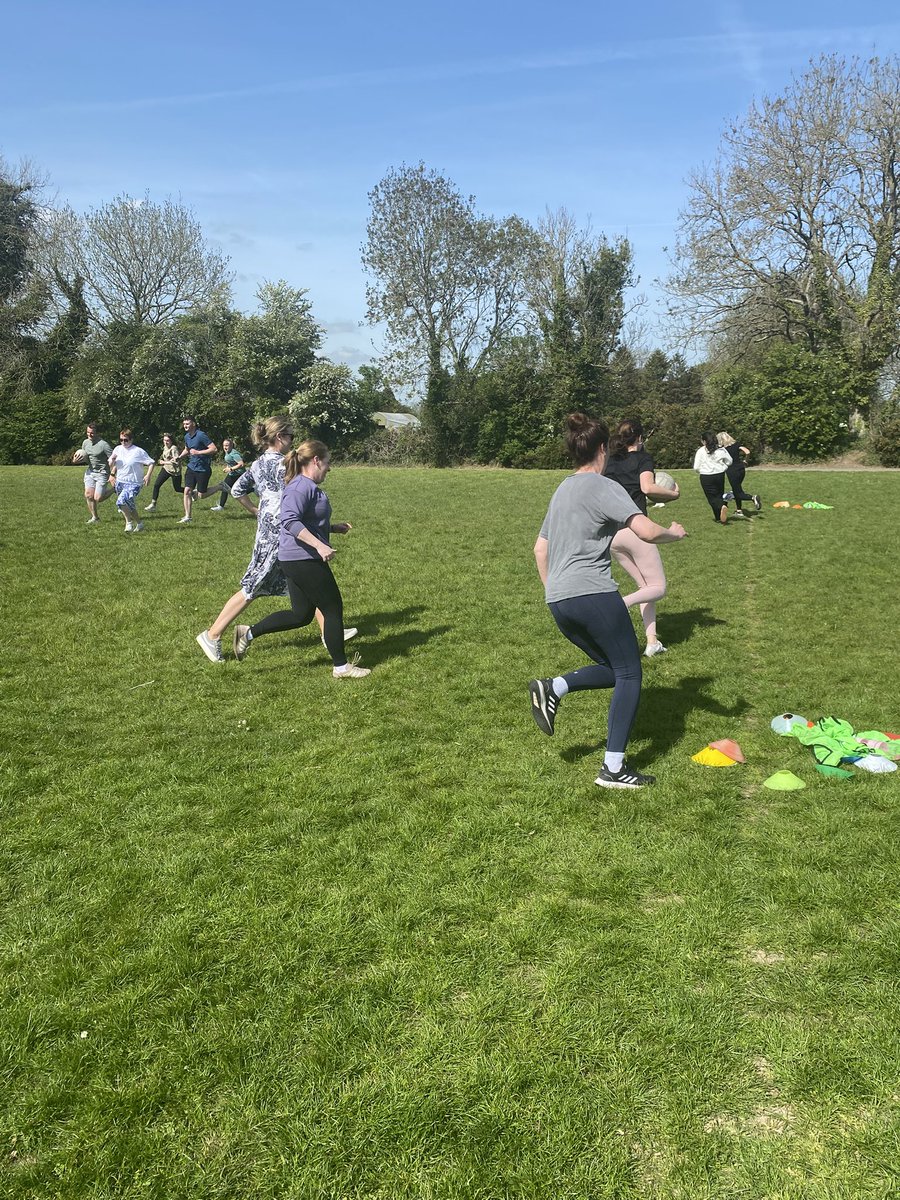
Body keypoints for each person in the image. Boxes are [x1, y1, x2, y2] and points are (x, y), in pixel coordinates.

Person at [529, 413, 686, 789]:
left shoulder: (562, 489)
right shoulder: (604, 486)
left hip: (559, 600)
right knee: (631, 672)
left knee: (613, 666)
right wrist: (674, 534)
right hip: (594, 592)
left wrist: (556, 590)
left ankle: (555, 687)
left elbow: (540, 549)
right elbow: (645, 531)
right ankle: (613, 768)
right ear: (602, 449)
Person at [195, 416, 356, 663]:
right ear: (280, 437)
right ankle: (213, 634)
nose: (292, 440)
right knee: (253, 587)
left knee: (308, 583)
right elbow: (297, 504)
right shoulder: (286, 464)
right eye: (290, 436)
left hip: (273, 530)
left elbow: (237, 489)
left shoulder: (258, 464)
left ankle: (330, 632)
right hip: (280, 534)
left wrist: (258, 511)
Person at [230, 439, 370, 679]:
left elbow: (306, 520)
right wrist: (319, 545)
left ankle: (247, 633)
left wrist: (332, 528)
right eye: (327, 462)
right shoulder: (300, 487)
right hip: (302, 558)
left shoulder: (306, 486)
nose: (329, 468)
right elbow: (290, 521)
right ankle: (341, 667)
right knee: (332, 608)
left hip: (296, 558)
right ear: (315, 460)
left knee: (301, 615)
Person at [603, 418, 680, 658]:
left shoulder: (610, 461)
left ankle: (652, 642)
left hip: (612, 536)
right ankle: (619, 605)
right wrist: (673, 494)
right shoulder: (643, 458)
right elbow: (647, 488)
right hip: (635, 530)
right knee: (659, 587)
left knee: (645, 587)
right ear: (639, 438)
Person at [107, 429, 156, 533]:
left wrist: (148, 475)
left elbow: (151, 462)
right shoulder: (118, 449)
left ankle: (128, 523)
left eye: (126, 440)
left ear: (131, 440)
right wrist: (112, 463)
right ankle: (139, 524)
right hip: (120, 482)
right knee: (129, 505)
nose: (123, 442)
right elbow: (111, 463)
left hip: (134, 483)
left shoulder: (138, 451)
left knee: (121, 502)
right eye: (121, 440)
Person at [177, 415, 221, 523]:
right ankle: (188, 516)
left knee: (201, 495)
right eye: (184, 424)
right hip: (191, 467)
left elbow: (214, 449)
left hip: (203, 469)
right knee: (187, 491)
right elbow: (187, 449)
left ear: (193, 424)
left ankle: (220, 486)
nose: (185, 426)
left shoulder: (201, 435)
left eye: (187, 424)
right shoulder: (187, 436)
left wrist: (198, 452)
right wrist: (179, 457)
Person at [75, 421, 114, 524]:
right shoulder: (85, 442)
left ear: (97, 433)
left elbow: (113, 459)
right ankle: (95, 518)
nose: (89, 435)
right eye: (88, 432)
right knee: (88, 495)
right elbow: (84, 456)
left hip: (102, 473)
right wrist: (76, 460)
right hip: (90, 472)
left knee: (98, 498)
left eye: (92, 433)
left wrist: (112, 474)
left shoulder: (104, 445)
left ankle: (114, 489)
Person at [692, 431, 734, 524]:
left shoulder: (701, 451)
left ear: (704, 441)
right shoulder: (721, 450)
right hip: (719, 474)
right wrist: (724, 466)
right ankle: (719, 517)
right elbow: (730, 461)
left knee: (712, 498)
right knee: (719, 494)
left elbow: (696, 467)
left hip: (706, 476)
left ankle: (723, 505)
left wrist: (701, 471)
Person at [717, 432, 761, 517]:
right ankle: (739, 510)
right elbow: (747, 452)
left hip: (732, 471)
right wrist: (745, 461)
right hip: (741, 469)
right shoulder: (736, 444)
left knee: (737, 493)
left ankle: (752, 498)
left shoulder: (722, 449)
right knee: (736, 490)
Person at [144, 432, 184, 510]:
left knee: (177, 488)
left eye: (167, 440)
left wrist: (164, 462)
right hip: (166, 469)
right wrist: (162, 460)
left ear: (171, 441)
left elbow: (176, 462)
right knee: (156, 485)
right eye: (164, 440)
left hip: (175, 471)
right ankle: (153, 504)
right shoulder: (165, 447)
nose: (165, 442)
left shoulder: (174, 448)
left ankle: (192, 492)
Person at [209, 437, 246, 511]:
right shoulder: (228, 452)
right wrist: (227, 467)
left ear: (231, 445)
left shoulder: (234, 454)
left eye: (227, 445)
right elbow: (231, 462)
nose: (225, 447)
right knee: (225, 487)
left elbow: (241, 464)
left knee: (237, 490)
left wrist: (231, 469)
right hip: (232, 474)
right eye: (224, 445)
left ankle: (253, 489)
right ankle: (221, 506)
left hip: (239, 474)